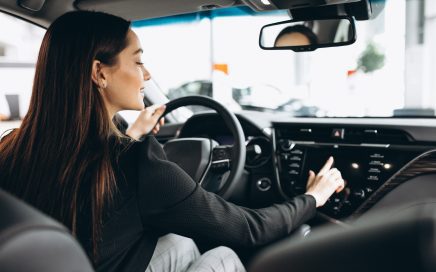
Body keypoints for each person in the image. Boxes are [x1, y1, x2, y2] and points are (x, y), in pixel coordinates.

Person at [0, 11, 344, 272]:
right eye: (138, 61)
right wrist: (314, 197)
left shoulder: (13, 147)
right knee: (224, 255)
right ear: (99, 73)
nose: (146, 75)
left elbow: (93, 177)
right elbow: (249, 229)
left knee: (179, 242)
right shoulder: (137, 164)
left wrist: (131, 135)